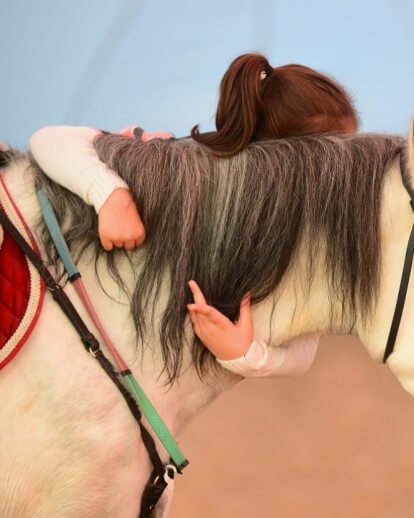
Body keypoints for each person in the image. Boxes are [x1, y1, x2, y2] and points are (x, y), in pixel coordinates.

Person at [29, 53, 357, 377]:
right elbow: (49, 139)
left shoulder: (312, 231)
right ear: (276, 158)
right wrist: (110, 194)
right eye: (332, 162)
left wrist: (246, 355)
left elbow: (307, 345)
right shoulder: (181, 167)